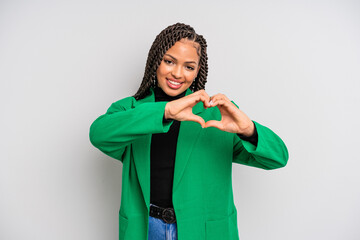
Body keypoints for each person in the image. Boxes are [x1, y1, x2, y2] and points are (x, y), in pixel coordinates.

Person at [89, 22, 288, 240]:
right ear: (156, 61)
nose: (177, 73)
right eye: (169, 61)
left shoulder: (217, 115)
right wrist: (165, 111)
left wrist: (248, 130)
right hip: (147, 229)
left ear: (197, 72)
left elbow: (278, 158)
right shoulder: (132, 109)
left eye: (189, 66)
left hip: (203, 231)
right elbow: (98, 134)